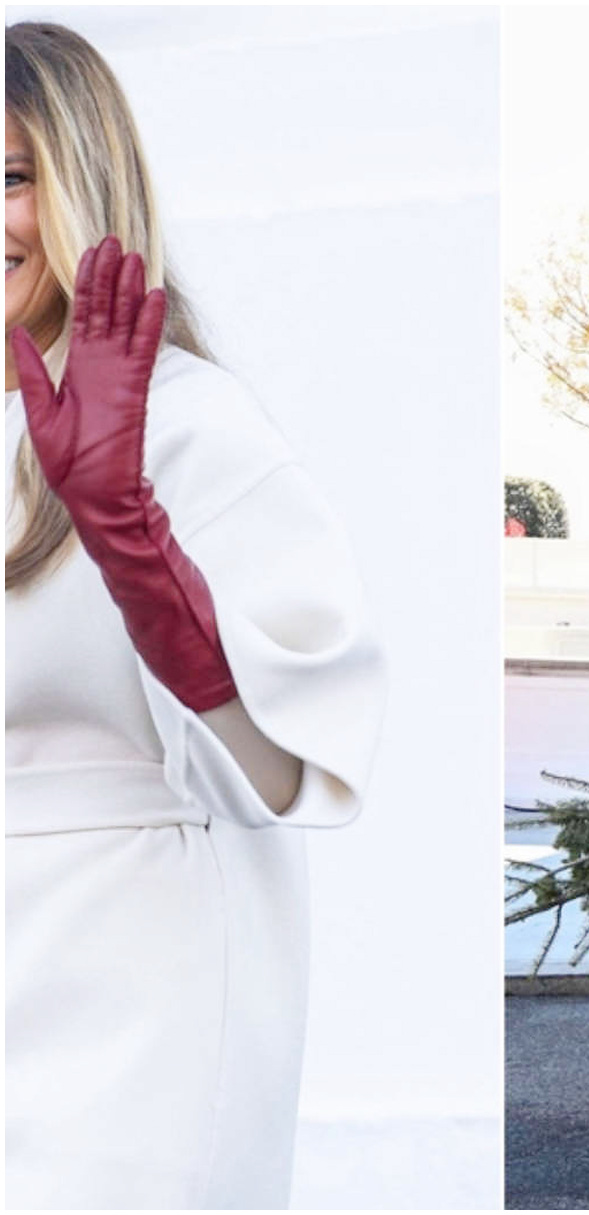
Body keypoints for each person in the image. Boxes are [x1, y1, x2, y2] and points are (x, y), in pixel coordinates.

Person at [5, 22, 384, 1208]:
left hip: (143, 987)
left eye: (13, 176)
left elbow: (288, 773)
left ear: (85, 178)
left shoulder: (192, 425)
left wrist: (129, 535)